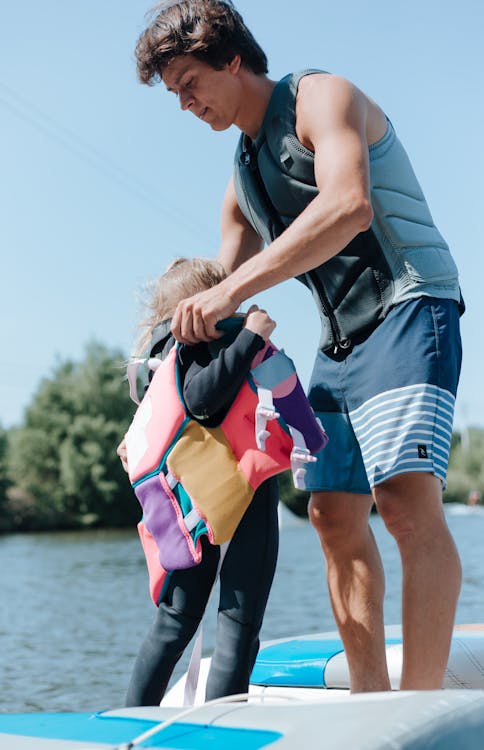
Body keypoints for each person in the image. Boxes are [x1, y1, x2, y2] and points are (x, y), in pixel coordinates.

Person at [134, 1, 464, 692]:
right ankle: (374, 704)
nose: (186, 103)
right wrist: (163, 350)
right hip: (339, 342)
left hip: (411, 305)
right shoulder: (243, 180)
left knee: (403, 501)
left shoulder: (322, 96)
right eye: (174, 96)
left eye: (190, 83)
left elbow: (349, 205)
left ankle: (422, 704)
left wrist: (225, 296)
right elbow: (219, 293)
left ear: (230, 58)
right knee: (331, 512)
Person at [118, 256, 279, 706]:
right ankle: (223, 726)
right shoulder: (198, 341)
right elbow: (202, 400)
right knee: (237, 620)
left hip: (186, 498)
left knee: (176, 618)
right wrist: (251, 336)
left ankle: (135, 720)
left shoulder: (162, 352)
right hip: (235, 492)